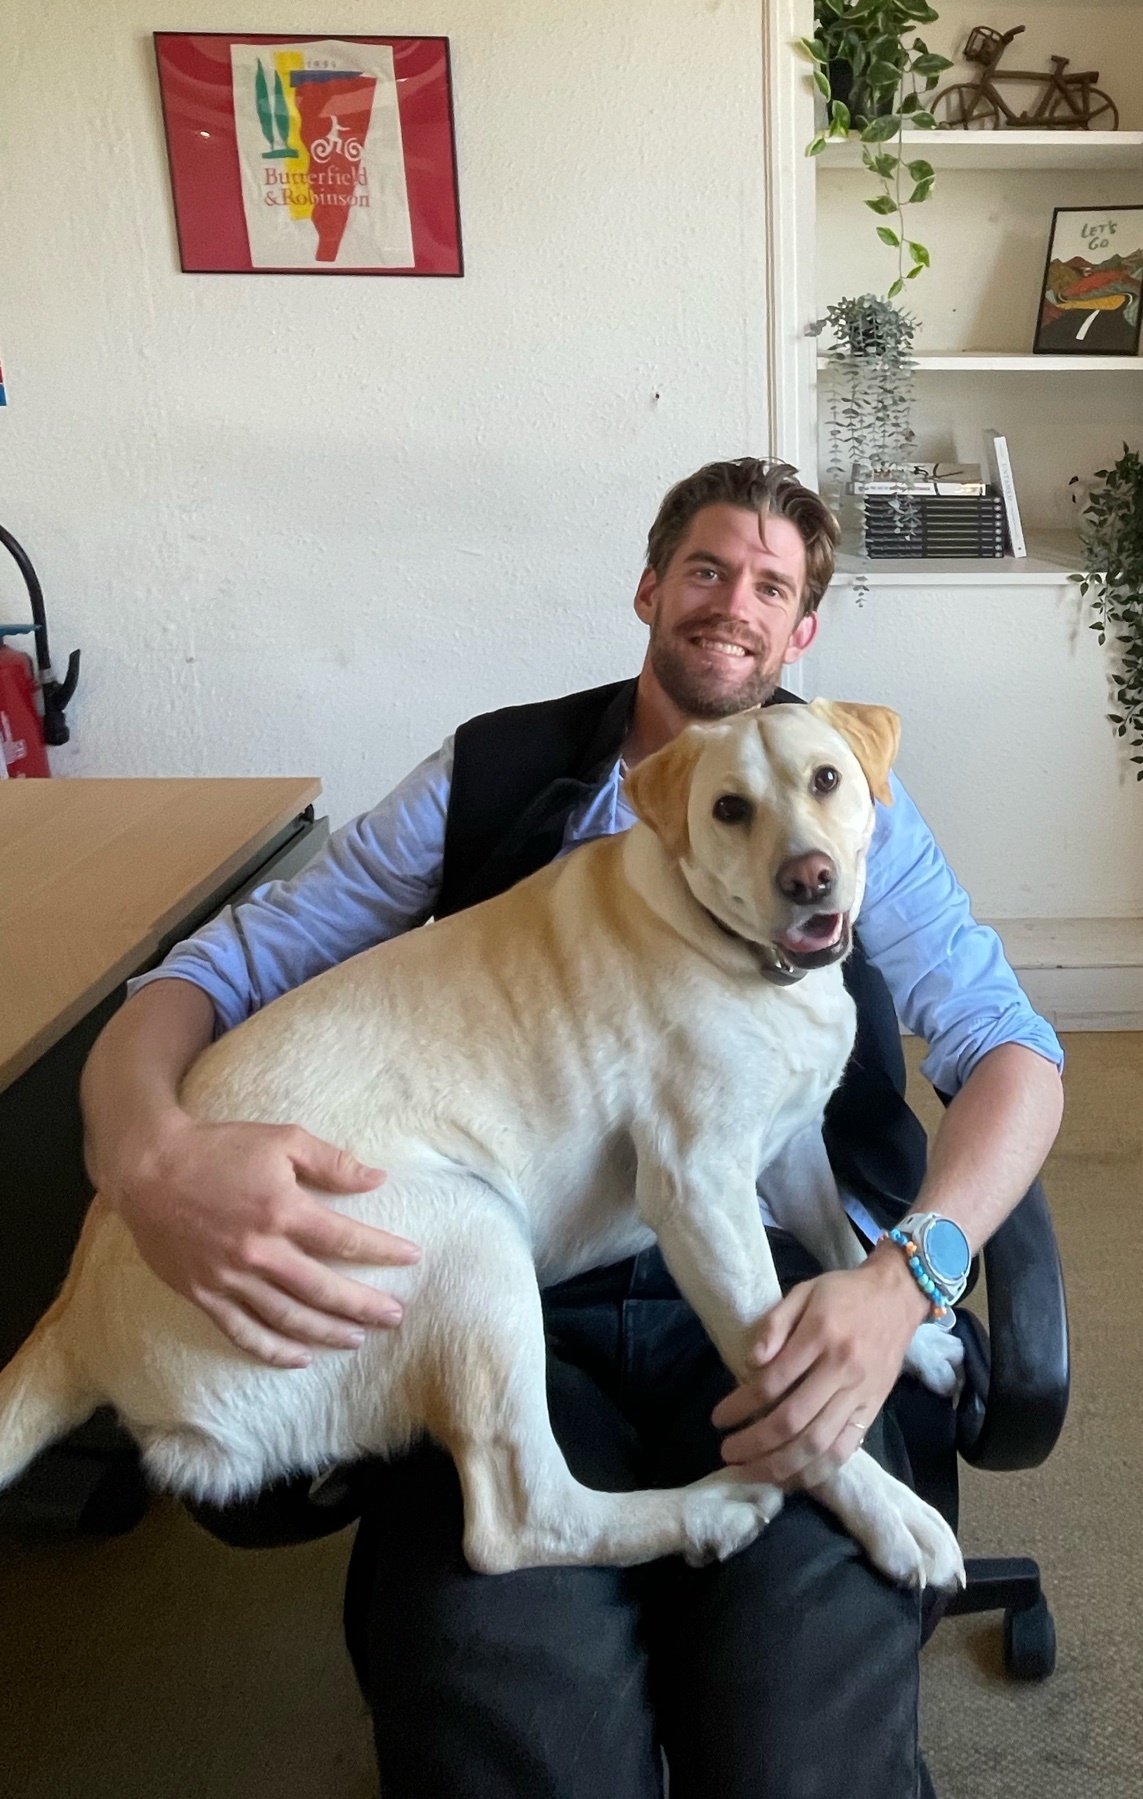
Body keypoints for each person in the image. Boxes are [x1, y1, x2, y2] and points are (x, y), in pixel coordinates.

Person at [81, 459, 1064, 1799]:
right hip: (506, 1295)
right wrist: (145, 1154)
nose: (734, 606)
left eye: (772, 587)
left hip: (789, 1297)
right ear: (652, 587)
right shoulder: (495, 773)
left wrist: (914, 1277)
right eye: (708, 569)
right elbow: (218, 971)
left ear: (801, 635)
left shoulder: (839, 797)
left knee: (802, 1748)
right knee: (510, 1730)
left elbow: (1014, 1053)